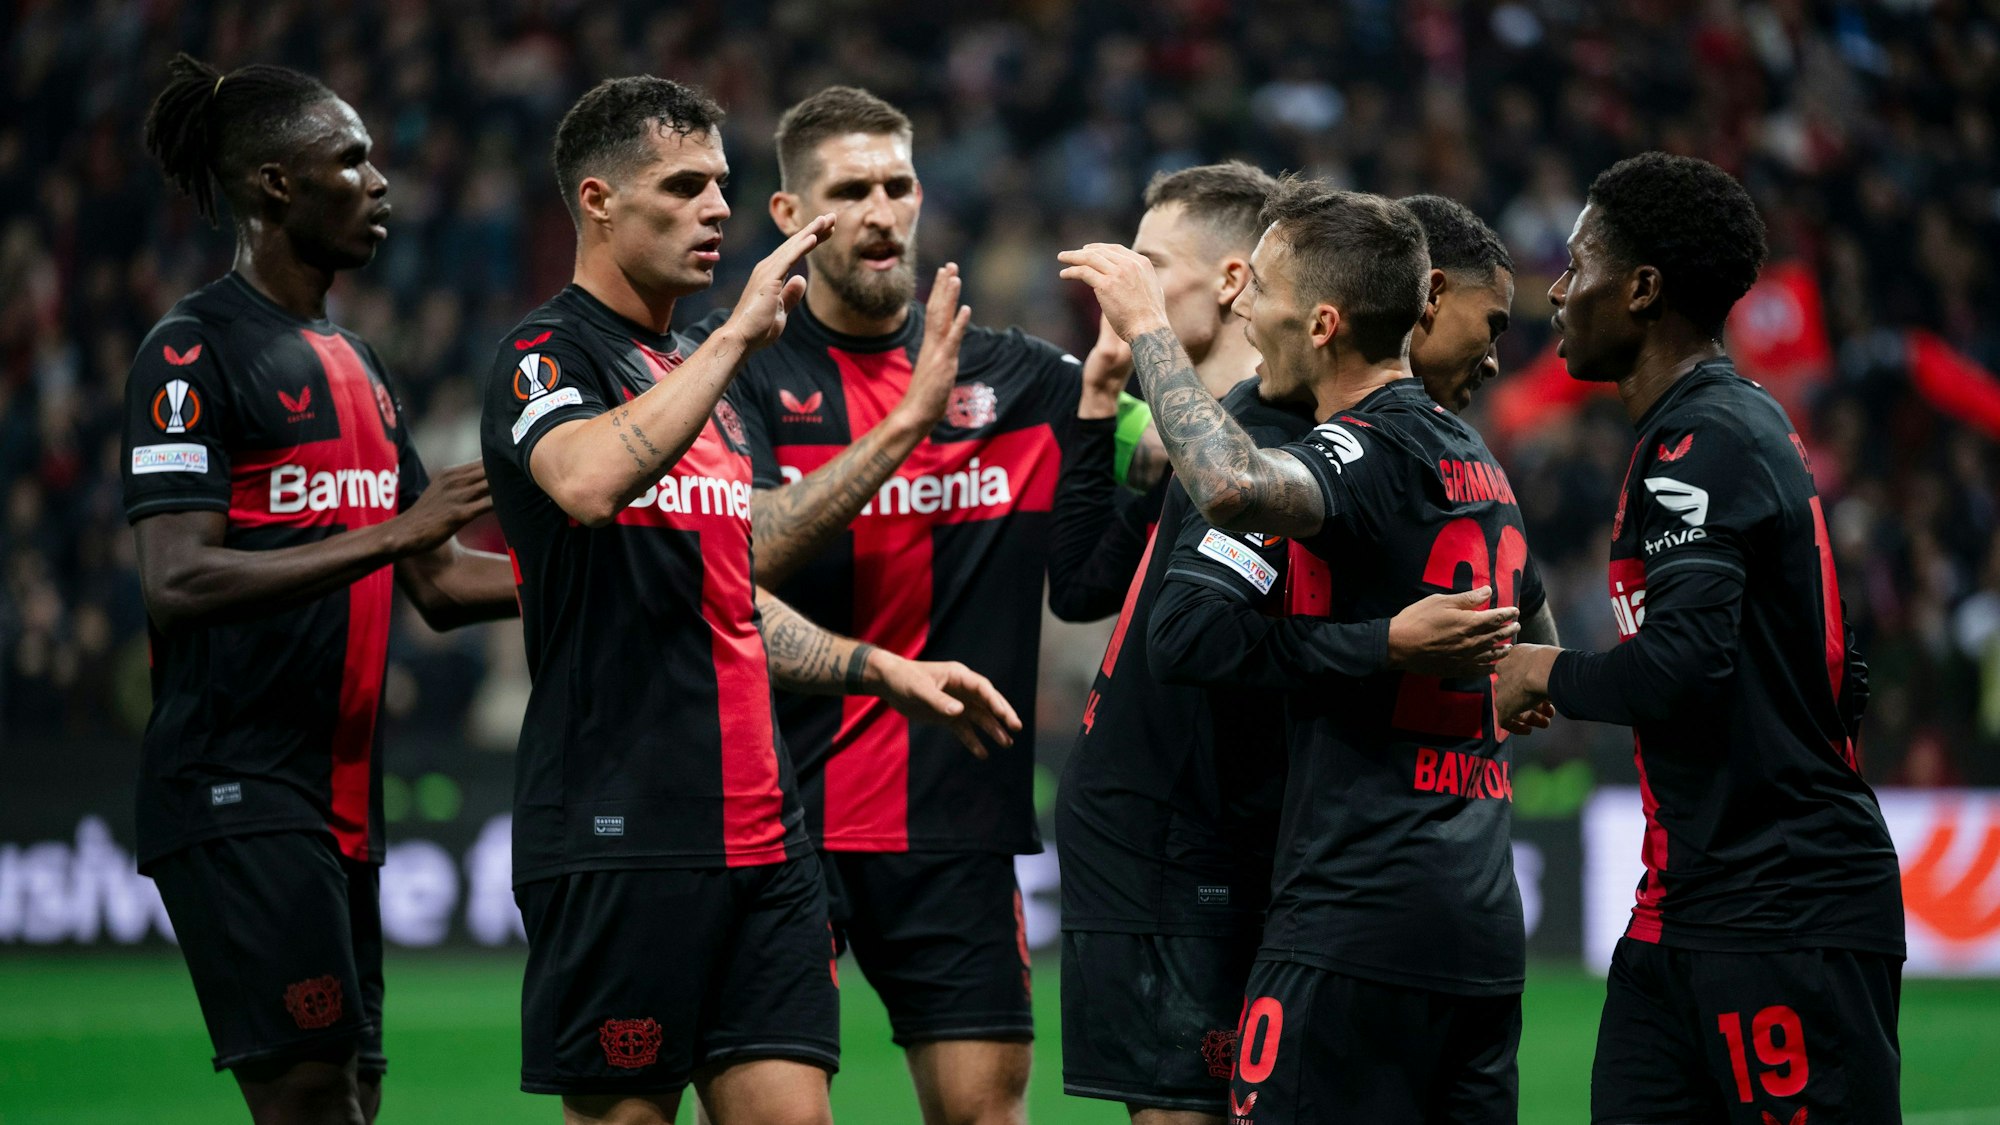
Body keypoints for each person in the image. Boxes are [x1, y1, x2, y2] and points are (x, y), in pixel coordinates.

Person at [479, 76, 1018, 1125]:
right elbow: (586, 482)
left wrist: (879, 668)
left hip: (766, 834)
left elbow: (725, 594)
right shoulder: (547, 354)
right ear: (598, 201)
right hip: (623, 828)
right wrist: (732, 340)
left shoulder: (701, 385)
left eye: (721, 185)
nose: (717, 209)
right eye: (684, 187)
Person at [1057, 183, 1551, 1124]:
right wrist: (1397, 646)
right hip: (1193, 835)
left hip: (1334, 885)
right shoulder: (1438, 453)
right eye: (1490, 324)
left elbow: (1214, 525)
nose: (1495, 353)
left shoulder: (1335, 445)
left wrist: (1147, 332)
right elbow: (1155, 614)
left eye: (1264, 287)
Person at [679, 85, 1111, 1125]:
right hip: (772, 817)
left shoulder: (1020, 379)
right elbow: (734, 560)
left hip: (952, 825)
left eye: (897, 185)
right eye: (848, 191)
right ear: (790, 215)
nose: (879, 211)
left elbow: (1170, 461)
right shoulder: (731, 374)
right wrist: (907, 425)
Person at [125, 53, 518, 1125]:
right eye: (351, 159)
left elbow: (437, 580)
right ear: (275, 185)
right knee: (310, 1091)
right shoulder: (190, 353)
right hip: (234, 783)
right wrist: (390, 531)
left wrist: (601, 574)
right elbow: (176, 576)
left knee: (352, 1089)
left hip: (341, 798)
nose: (380, 181)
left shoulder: (358, 364)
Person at [1495, 152, 1903, 1125]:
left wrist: (1545, 671)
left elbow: (1687, 664)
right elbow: (1831, 666)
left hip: (1780, 910)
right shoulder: (1706, 430)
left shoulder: (1705, 438)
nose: (1556, 290)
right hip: (1683, 907)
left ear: (1641, 290)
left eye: (1578, 264)